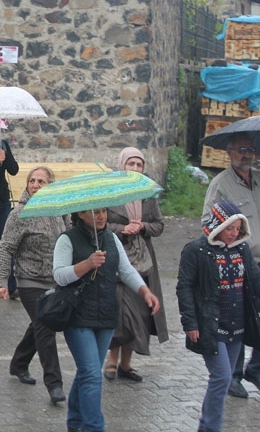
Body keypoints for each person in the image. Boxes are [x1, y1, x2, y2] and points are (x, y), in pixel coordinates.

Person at [53, 207, 160, 432]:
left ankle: (74, 422)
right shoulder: (67, 239)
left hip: (106, 316)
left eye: (103, 211)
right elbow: (60, 276)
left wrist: (145, 291)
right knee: (92, 375)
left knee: (86, 372)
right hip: (78, 317)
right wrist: (87, 264)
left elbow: (126, 270)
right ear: (80, 214)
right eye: (95, 212)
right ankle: (94, 427)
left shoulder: (111, 238)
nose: (101, 216)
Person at [178, 201, 260, 432]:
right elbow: (184, 288)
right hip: (211, 326)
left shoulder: (241, 249)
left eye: (238, 229)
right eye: (230, 229)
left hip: (238, 325)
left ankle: (206, 427)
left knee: (222, 381)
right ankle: (212, 428)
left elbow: (254, 280)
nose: (235, 234)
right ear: (217, 225)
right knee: (222, 376)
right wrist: (189, 323)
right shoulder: (196, 250)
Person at [0, 166, 68, 405]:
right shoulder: (19, 214)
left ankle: (19, 363)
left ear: (50, 185)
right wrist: (1, 281)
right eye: (32, 181)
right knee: (45, 326)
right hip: (29, 280)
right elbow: (6, 248)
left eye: (41, 181)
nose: (35, 185)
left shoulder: (59, 211)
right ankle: (54, 384)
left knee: (39, 324)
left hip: (54, 280)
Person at [202, 132, 260, 398]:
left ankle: (255, 368)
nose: (247, 154)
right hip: (238, 259)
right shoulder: (220, 184)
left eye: (251, 149)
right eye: (241, 149)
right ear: (229, 152)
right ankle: (233, 375)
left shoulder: (258, 179)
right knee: (238, 316)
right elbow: (207, 222)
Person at [104, 148, 169, 382]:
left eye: (138, 165)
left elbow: (159, 225)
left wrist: (142, 227)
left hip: (142, 259)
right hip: (117, 258)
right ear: (122, 166)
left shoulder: (147, 194)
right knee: (118, 310)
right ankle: (111, 360)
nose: (134, 168)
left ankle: (126, 364)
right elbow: (100, 225)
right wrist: (122, 229)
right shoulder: (110, 193)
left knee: (138, 312)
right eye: (130, 164)